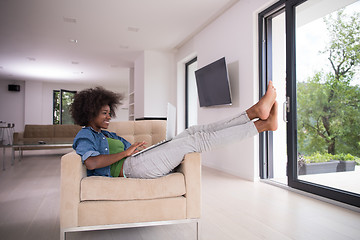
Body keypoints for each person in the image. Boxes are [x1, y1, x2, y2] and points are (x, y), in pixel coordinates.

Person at [71, 82, 278, 179]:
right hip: (132, 169)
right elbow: (91, 162)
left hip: (139, 161)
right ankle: (262, 125)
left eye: (109, 112)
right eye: (104, 113)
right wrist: (126, 153)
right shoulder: (85, 136)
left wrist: (144, 150)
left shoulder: (106, 134)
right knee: (191, 142)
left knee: (192, 131)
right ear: (89, 113)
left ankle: (253, 113)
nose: (109, 117)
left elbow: (127, 154)